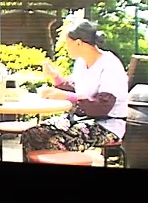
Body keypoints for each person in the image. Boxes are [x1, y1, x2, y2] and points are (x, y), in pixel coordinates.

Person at [22, 20, 130, 156]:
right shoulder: (81, 62)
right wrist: (56, 77)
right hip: (80, 119)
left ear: (78, 43)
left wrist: (65, 96)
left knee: (53, 142)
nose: (66, 47)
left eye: (67, 43)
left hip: (107, 125)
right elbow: (76, 89)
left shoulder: (110, 64)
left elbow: (103, 105)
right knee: (32, 134)